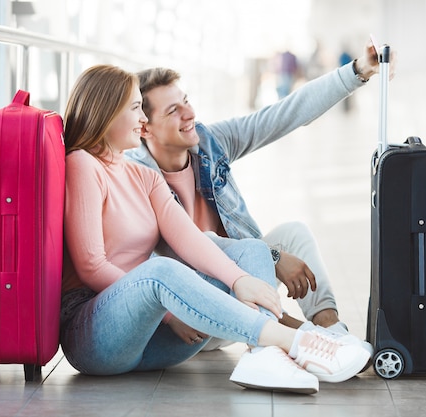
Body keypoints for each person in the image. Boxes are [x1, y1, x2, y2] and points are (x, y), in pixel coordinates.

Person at [59, 64, 371, 395]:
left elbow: (191, 238)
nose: (142, 120)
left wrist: (240, 279)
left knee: (252, 249)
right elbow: (91, 266)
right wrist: (168, 315)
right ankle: (294, 341)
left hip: (158, 339)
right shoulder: (83, 163)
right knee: (160, 270)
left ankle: (266, 356)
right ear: (106, 112)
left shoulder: (144, 177)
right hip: (96, 334)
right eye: (135, 109)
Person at [124, 39, 396, 351]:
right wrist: (272, 257)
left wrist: (358, 71)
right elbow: (169, 254)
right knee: (226, 245)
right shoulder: (137, 175)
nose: (190, 114)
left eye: (186, 100)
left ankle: (331, 328)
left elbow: (283, 115)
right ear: (144, 128)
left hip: (242, 285)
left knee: (294, 233)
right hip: (198, 312)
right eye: (174, 110)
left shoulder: (209, 142)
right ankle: (313, 341)